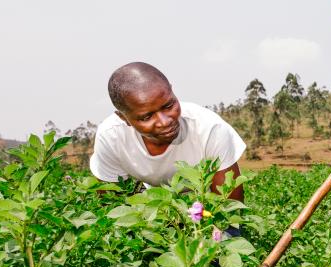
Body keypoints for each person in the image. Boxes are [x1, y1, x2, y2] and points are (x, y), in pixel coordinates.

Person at [90, 62, 247, 202]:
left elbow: (229, 209)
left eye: (168, 106)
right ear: (123, 118)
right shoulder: (111, 137)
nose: (165, 121)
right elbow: (110, 204)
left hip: (205, 206)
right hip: (158, 207)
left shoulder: (210, 129)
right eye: (147, 117)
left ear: (172, 91)